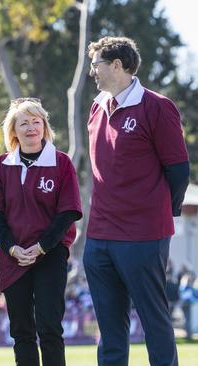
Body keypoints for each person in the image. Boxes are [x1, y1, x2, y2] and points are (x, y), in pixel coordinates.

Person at [84, 36, 189, 366]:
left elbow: (178, 169)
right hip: (99, 236)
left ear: (117, 65)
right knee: (110, 330)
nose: (93, 72)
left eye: (96, 65)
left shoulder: (158, 106)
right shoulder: (97, 107)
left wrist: (160, 212)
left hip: (143, 234)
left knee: (154, 322)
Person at [0, 98, 82, 366]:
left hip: (50, 255)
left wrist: (42, 247)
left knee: (50, 328)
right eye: (23, 122)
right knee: (22, 332)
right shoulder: (1, 166)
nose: (31, 127)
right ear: (13, 130)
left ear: (44, 126)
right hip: (13, 257)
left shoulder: (60, 162)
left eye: (36, 121)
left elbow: (68, 211)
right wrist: (12, 247)